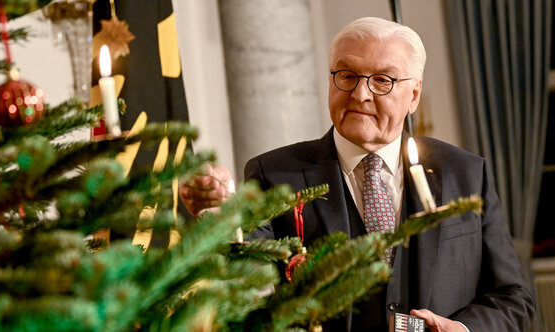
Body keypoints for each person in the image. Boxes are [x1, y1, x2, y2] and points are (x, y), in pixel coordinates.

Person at [179, 17, 535, 332]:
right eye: (347, 75)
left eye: (382, 80)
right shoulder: (275, 173)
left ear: (414, 94)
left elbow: (513, 298)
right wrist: (216, 213)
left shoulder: (465, 172)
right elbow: (243, 268)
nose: (360, 94)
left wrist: (463, 329)